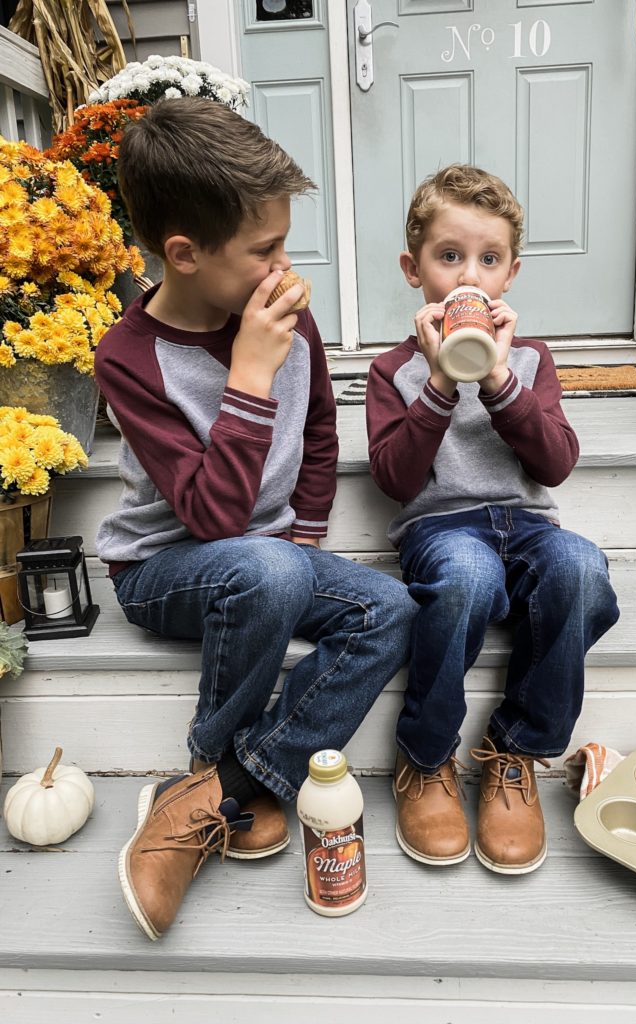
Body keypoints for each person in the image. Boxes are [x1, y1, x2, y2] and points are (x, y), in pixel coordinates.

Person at [95, 97, 416, 939]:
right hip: (169, 568)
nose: (284, 267)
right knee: (262, 564)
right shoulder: (130, 359)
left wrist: (309, 535)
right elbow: (210, 516)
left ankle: (224, 788)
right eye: (264, 249)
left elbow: (317, 429)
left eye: (285, 243)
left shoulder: (285, 316)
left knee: (389, 609)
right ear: (185, 254)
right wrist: (246, 377)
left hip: (270, 555)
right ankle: (214, 758)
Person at [365, 164, 620, 875]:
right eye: (449, 257)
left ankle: (516, 751)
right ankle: (426, 753)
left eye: (487, 259)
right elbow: (393, 478)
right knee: (469, 573)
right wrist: (442, 380)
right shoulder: (395, 372)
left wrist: (500, 379)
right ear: (414, 271)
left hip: (529, 526)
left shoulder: (532, 362)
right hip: (442, 530)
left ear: (509, 275)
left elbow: (555, 463)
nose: (466, 275)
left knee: (580, 565)